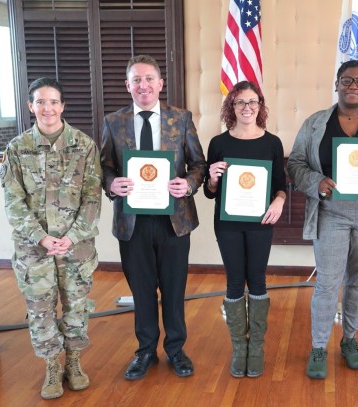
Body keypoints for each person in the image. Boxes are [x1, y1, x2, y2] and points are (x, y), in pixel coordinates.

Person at [288, 60, 358, 379]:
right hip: (330, 212)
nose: (353, 87)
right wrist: (316, 182)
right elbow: (295, 164)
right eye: (346, 81)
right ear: (336, 84)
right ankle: (318, 346)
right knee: (327, 282)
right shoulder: (316, 124)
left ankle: (350, 341)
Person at [100, 55, 206, 380]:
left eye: (149, 79)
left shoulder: (181, 118)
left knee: (174, 288)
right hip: (132, 221)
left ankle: (176, 349)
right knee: (142, 289)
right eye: (136, 80)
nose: (143, 85)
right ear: (127, 85)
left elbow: (198, 165)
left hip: (174, 220)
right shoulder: (113, 122)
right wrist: (111, 183)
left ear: (160, 84)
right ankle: (146, 350)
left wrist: (187, 183)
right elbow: (104, 166)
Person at [0, 77, 102, 399]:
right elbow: (13, 203)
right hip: (34, 249)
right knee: (41, 308)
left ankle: (73, 361)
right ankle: (51, 366)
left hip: (77, 247)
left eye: (54, 101)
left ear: (63, 106)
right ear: (31, 106)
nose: (48, 108)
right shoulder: (17, 149)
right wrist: (42, 238)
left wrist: (71, 237)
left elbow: (92, 198)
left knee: (75, 305)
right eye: (41, 102)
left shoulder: (84, 145)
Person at [204, 81, 286, 378]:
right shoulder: (219, 143)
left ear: (260, 106)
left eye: (253, 102)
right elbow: (210, 192)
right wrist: (212, 178)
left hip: (260, 223)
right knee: (234, 282)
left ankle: (257, 347)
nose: (247, 107)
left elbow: (281, 184)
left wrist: (278, 201)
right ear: (231, 108)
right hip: (227, 224)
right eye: (240, 102)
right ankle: (240, 347)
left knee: (258, 280)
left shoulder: (272, 142)